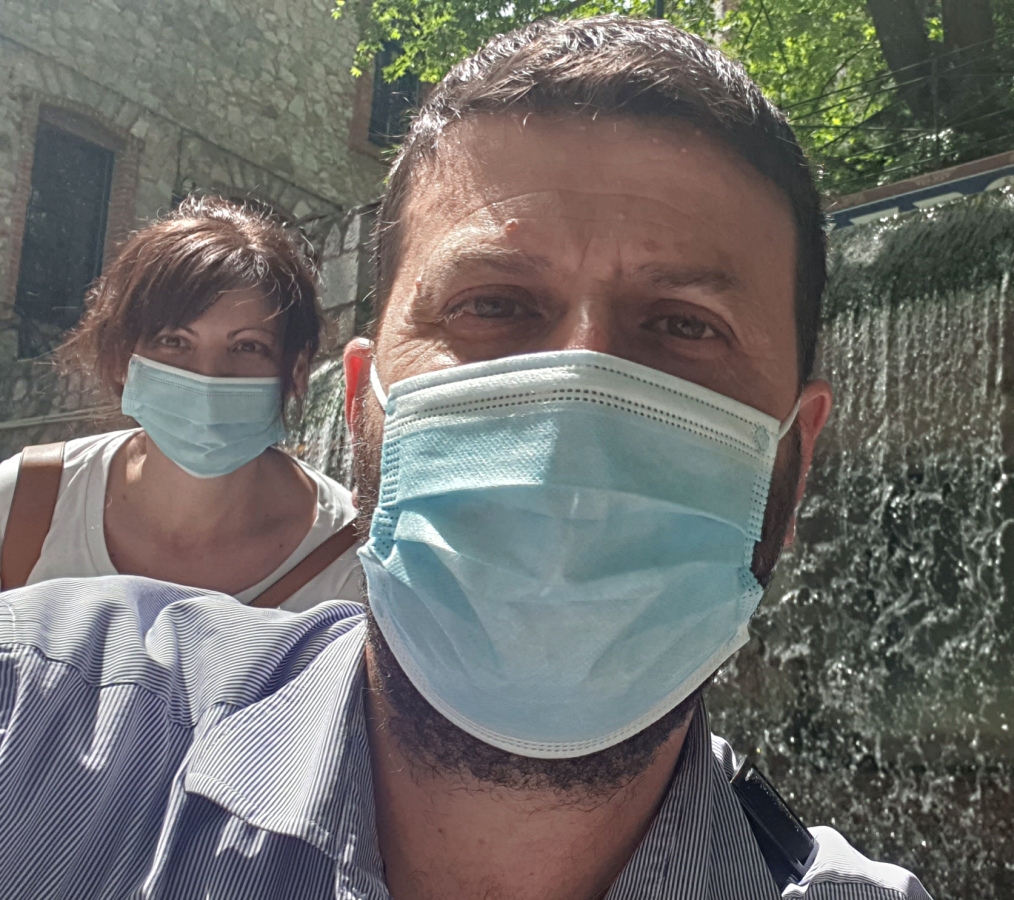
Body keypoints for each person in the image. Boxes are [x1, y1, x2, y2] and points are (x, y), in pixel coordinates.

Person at [0, 17, 932, 900]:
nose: (573, 405)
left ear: (797, 455)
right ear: (360, 406)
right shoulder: (42, 708)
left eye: (685, 326)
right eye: (491, 306)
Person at [0, 197, 361, 610]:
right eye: (174, 341)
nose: (207, 377)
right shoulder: (20, 505)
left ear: (296, 370)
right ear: (121, 359)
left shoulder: (350, 565)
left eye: (248, 346)